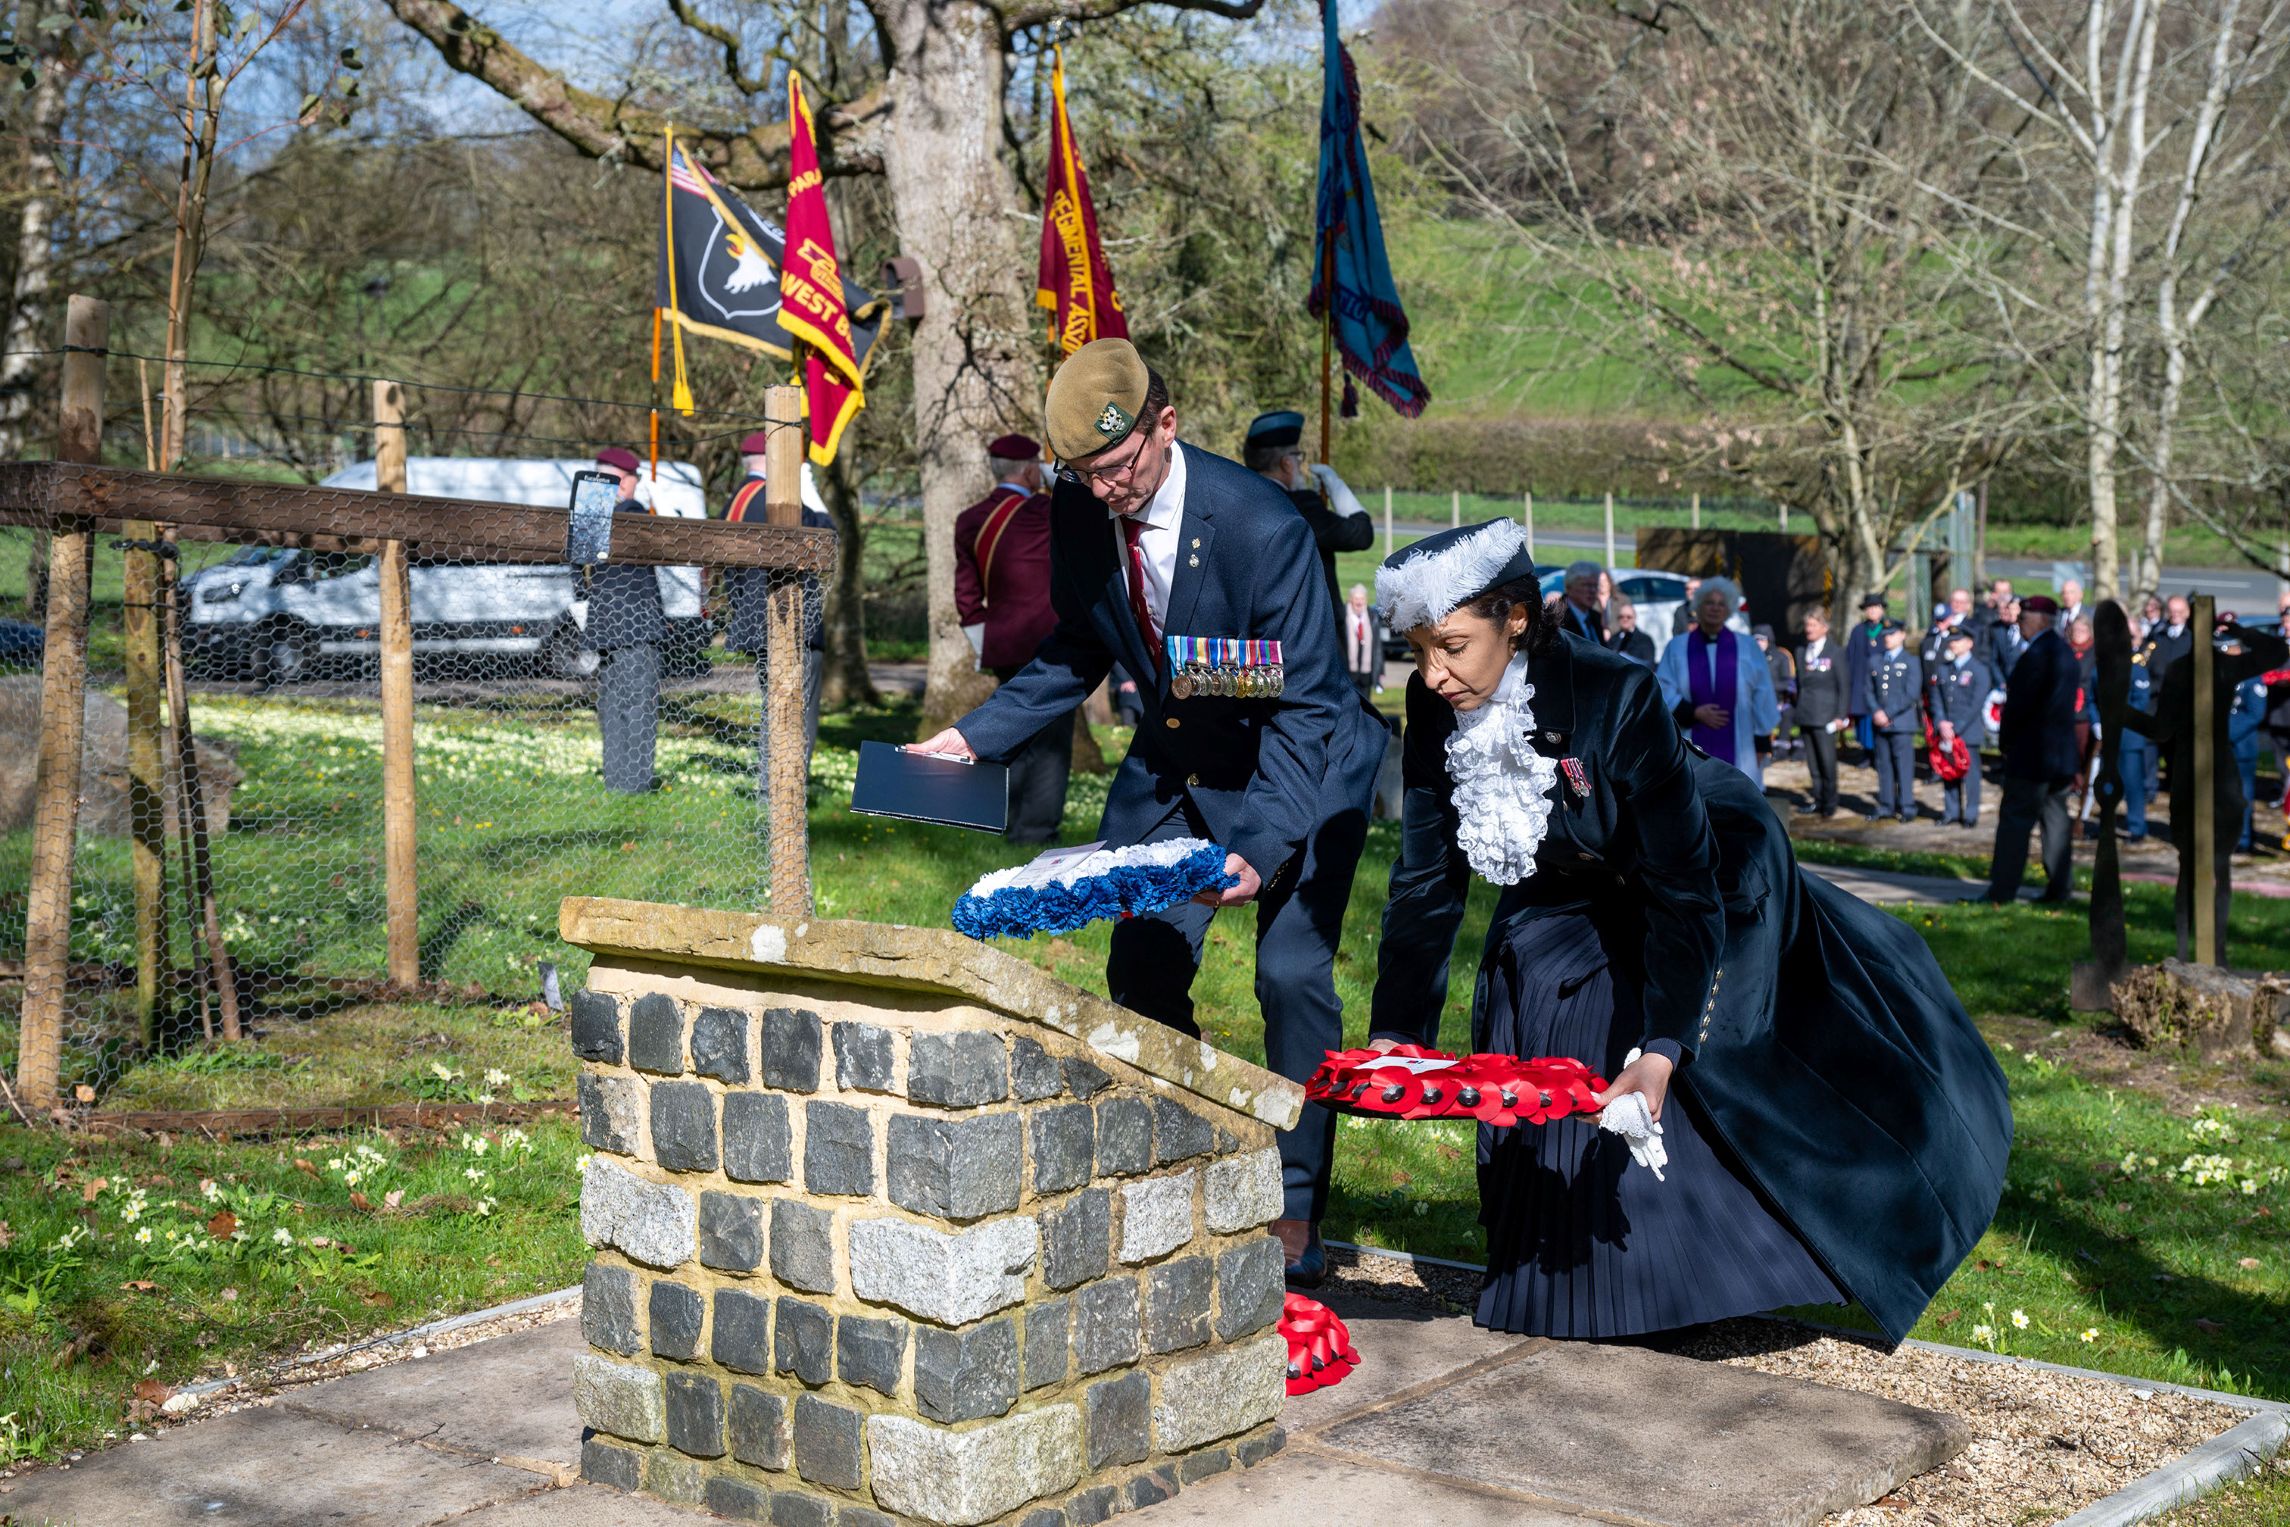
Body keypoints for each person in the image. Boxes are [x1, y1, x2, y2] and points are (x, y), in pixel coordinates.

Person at [1366, 518, 2011, 1342]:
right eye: (1418, 650)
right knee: (1527, 967)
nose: (1432, 672)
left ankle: (1670, 1276)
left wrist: (1663, 1046)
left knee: (1657, 1028)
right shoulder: (1433, 704)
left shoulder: (1615, 692)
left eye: (1453, 646)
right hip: (1576, 868)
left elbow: (1680, 886)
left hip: (1709, 860)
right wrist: (1398, 1035)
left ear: (1516, 617)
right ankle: (1549, 1271)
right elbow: (1427, 877)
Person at [917, 340, 1386, 1286]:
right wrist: (974, 737)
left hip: (1303, 763)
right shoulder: (1082, 508)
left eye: (1119, 466)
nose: (1106, 491)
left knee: (1291, 977)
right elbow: (1079, 644)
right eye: (1084, 474)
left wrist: (1257, 847)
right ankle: (1192, 1144)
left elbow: (1304, 708)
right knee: (1142, 960)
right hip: (1182, 760)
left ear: (1165, 425)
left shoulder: (1263, 526)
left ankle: (1295, 1205)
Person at [2123, 619, 2288, 962]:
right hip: (2199, 776)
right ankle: (2196, 950)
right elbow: (2163, 727)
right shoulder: (2199, 671)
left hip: (2214, 773)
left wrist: (2240, 631)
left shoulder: (2214, 669)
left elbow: (2276, 655)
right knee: (2202, 868)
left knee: (2208, 868)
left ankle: (2205, 950)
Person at [952, 434, 1072, 845]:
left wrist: (983, 643)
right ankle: (1035, 831)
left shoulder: (970, 519)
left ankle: (1006, 821)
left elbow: (967, 596)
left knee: (1012, 733)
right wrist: (1052, 474)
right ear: (1028, 470)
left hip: (1002, 643)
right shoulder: (1046, 510)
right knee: (1051, 743)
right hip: (1053, 642)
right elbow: (1082, 498)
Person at [721, 433, 834, 792]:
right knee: (796, 715)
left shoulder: (737, 499)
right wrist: (809, 493)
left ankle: (769, 788)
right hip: (791, 622)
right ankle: (785, 794)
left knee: (775, 709)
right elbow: (826, 540)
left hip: (753, 621)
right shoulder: (777, 500)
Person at [1978, 596, 2079, 903]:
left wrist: (2006, 742)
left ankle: (2001, 891)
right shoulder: (2062, 651)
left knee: (2015, 823)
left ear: (2043, 620)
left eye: (2025, 616)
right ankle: (2059, 888)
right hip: (2058, 756)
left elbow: (2020, 707)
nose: (2020, 621)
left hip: (2032, 755)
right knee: (2055, 822)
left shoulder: (2037, 654)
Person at [1242, 409, 1373, 626]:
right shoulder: (1301, 505)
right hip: (1310, 627)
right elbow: (1361, 534)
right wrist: (1335, 485)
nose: (1299, 464)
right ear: (1286, 463)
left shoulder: (1240, 499)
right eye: (1297, 457)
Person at [585, 446, 666, 793]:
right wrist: (658, 505)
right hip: (636, 623)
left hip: (604, 623)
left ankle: (617, 781)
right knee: (637, 707)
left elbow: (577, 568)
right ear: (625, 481)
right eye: (636, 477)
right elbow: (669, 543)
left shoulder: (588, 516)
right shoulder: (633, 513)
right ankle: (635, 785)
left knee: (613, 705)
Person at [1656, 577, 1778, 779]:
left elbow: (1762, 693)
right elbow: (1663, 689)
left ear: (1729, 609)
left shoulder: (1747, 647)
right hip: (1692, 737)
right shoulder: (1677, 647)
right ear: (1698, 606)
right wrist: (1693, 712)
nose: (1715, 608)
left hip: (1741, 746)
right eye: (1709, 603)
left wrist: (1762, 743)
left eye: (1721, 604)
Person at [1928, 625, 1991, 828]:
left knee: (1971, 774)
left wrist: (1955, 727)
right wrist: (1941, 722)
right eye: (1951, 640)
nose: (1953, 644)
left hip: (1967, 731)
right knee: (1949, 771)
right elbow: (1936, 698)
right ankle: (1951, 811)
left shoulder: (1979, 670)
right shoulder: (1943, 668)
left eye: (1958, 640)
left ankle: (1970, 814)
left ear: (1969, 643)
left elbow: (1975, 704)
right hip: (1945, 731)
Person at [1865, 619, 1923, 823]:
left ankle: (1907, 806)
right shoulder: (1875, 660)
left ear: (1902, 635)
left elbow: (1911, 693)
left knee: (1904, 767)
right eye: (1885, 635)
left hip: (1901, 723)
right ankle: (1886, 805)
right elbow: (1868, 690)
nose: (1887, 638)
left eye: (1892, 634)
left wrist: (1887, 713)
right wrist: (1876, 711)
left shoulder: (1911, 661)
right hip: (1880, 723)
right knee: (1883, 766)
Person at [1794, 609, 1849, 816]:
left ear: (1824, 628)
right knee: (1813, 764)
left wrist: (1841, 715)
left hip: (1826, 716)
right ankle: (1817, 800)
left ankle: (1830, 802)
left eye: (1813, 625)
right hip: (1806, 713)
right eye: (1807, 625)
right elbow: (1800, 684)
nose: (1809, 629)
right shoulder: (1801, 651)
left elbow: (1844, 686)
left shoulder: (1835, 652)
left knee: (1827, 763)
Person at [2231, 653, 2267, 854]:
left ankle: (2243, 837)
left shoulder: (2251, 677)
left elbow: (2255, 713)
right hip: (2219, 747)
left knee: (2242, 794)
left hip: (2241, 746)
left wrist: (2227, 732)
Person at [1844, 592, 1888, 757]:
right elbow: (1850, 657)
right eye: (1869, 608)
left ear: (1882, 609)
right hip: (1861, 680)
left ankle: (1880, 753)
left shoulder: (1888, 630)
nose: (1872, 610)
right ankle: (1867, 752)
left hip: (1881, 682)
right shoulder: (1858, 631)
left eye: (1876, 607)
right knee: (1863, 719)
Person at [1757, 623, 1797, 761]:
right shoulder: (1750, 658)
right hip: (1756, 702)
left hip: (1778, 700)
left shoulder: (1781, 657)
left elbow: (1788, 683)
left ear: (1769, 639)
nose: (1759, 643)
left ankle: (1781, 749)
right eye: (1756, 639)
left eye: (1762, 639)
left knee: (1787, 712)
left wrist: (1767, 687)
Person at [1343, 583, 1383, 697]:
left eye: (1362, 599)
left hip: (1366, 672)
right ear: (1350, 600)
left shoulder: (1372, 616)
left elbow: (1377, 647)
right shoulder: (1344, 616)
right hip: (1348, 671)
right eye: (1356, 599)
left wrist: (1380, 671)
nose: (1359, 602)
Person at [1921, 587, 1975, 669]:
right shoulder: (1937, 624)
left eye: (1961, 602)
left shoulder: (1972, 626)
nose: (1957, 604)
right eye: (1955, 601)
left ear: (1968, 604)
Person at [1556, 560, 1606, 644]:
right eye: (1586, 585)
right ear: (1569, 587)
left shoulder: (1595, 617)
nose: (1592, 590)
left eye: (1595, 585)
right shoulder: (1558, 618)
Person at [1606, 595, 1656, 666]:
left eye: (1628, 617)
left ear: (1634, 618)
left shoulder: (1645, 640)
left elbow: (1648, 664)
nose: (1625, 619)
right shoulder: (1613, 639)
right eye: (1621, 617)